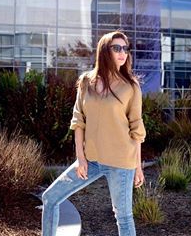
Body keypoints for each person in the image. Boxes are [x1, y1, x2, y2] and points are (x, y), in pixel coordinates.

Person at [42, 30, 146, 236]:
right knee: (50, 197)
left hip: (121, 161)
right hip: (91, 160)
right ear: (104, 51)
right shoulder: (86, 82)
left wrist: (138, 167)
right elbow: (78, 122)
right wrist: (81, 159)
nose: (122, 53)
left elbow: (137, 129)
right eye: (117, 48)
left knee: (123, 216)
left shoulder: (131, 86)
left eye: (125, 48)